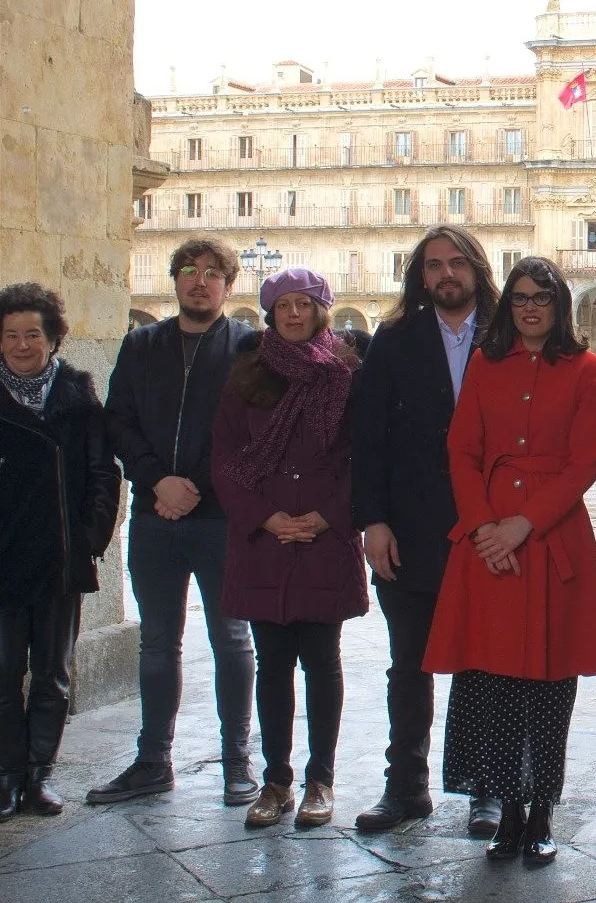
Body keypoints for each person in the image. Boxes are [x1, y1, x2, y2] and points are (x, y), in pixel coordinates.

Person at [423, 257, 596, 866]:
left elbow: (585, 464)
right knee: (497, 678)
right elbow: (462, 451)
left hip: (551, 537)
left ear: (560, 307)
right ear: (509, 305)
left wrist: (523, 523)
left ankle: (543, 810)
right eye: (521, 297)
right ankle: (507, 806)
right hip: (489, 545)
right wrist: (484, 527)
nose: (531, 307)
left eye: (543, 298)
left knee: (553, 684)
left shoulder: (588, 370)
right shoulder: (485, 363)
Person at [91, 237, 258, 807]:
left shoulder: (247, 347)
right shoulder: (141, 345)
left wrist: (198, 488)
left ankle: (238, 762)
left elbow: (252, 434)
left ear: (229, 286)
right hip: (154, 517)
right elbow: (118, 420)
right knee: (158, 643)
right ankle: (152, 761)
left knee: (231, 638)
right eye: (189, 270)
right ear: (174, 280)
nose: (199, 281)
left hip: (219, 519)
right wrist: (156, 480)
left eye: (213, 273)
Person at [352, 225, 503, 835]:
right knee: (407, 664)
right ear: (420, 275)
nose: (446, 274)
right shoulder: (393, 341)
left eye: (457, 263)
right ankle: (405, 787)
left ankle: (486, 789)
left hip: (489, 532)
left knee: (485, 663)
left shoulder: (508, 334)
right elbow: (367, 438)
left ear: (477, 270)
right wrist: (372, 521)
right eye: (434, 265)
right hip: (410, 530)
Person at [212, 268, 367, 828]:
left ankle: (320, 780)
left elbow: (361, 456)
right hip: (265, 542)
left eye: (304, 305)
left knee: (323, 663)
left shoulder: (348, 375)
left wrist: (328, 517)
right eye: (283, 307)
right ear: (271, 314)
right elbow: (226, 458)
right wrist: (266, 516)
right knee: (273, 664)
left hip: (325, 540)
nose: (294, 315)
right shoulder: (248, 374)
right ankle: (277, 781)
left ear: (322, 311)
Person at [0, 284, 121, 819]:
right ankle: (6, 775)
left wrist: (89, 540)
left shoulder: (77, 395)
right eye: (10, 335)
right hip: (4, 558)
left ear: (53, 339)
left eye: (32, 334)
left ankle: (38, 778)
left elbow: (102, 473)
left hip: (60, 558)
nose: (21, 345)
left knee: (53, 674)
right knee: (4, 674)